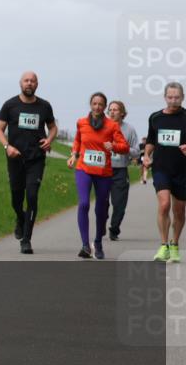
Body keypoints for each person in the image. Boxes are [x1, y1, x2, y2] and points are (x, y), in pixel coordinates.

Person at [0, 71, 58, 254]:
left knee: (31, 196)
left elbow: (53, 127)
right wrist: (7, 147)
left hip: (36, 158)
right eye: (26, 80)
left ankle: (26, 239)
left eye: (32, 81)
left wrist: (49, 139)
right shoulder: (10, 105)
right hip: (15, 158)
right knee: (16, 199)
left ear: (37, 84)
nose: (29, 83)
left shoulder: (44, 106)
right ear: (20, 83)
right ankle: (20, 218)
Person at [67, 93, 129, 259]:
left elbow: (125, 147)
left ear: (104, 106)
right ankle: (85, 245)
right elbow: (78, 141)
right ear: (90, 105)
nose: (97, 107)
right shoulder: (81, 122)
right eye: (94, 104)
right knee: (84, 204)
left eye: (100, 104)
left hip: (103, 173)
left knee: (101, 209)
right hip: (84, 169)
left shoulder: (112, 126)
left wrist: (113, 146)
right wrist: (74, 154)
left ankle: (98, 242)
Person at [143, 82, 186, 263]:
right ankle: (163, 246)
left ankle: (174, 244)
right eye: (170, 97)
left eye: (177, 97)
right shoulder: (155, 118)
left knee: (179, 211)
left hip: (182, 170)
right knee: (164, 204)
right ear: (165, 97)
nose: (173, 100)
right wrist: (146, 155)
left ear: (182, 97)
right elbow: (151, 140)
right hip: (161, 168)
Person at [106, 100, 139, 241]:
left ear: (122, 113)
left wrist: (121, 148)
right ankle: (101, 225)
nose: (112, 112)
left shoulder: (129, 130)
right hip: (103, 170)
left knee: (119, 204)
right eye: (110, 109)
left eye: (116, 109)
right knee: (102, 203)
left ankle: (114, 229)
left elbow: (136, 152)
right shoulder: (101, 127)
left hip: (120, 171)